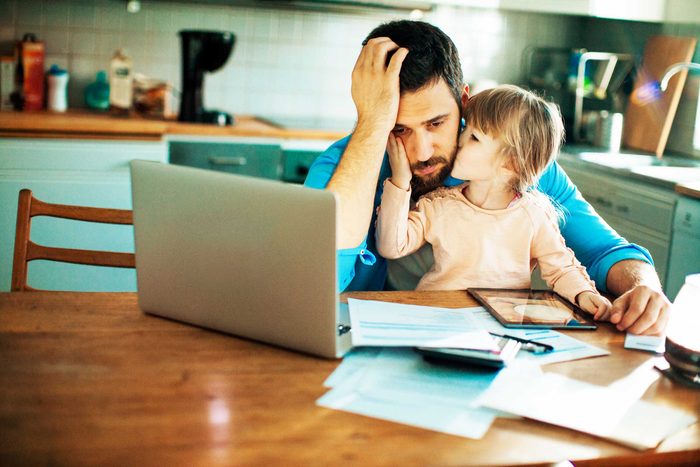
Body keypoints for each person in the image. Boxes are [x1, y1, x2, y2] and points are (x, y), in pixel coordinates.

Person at [304, 20, 670, 335]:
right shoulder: (341, 166)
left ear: (464, 101)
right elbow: (316, 281)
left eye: (436, 123)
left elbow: (605, 250)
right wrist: (372, 123)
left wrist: (645, 290)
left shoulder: (509, 160)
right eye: (398, 129)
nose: (423, 151)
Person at [375, 84, 612, 319]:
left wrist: (584, 294)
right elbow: (391, 246)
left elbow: (562, 269)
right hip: (436, 316)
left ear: (512, 163)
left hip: (502, 325)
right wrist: (400, 181)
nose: (459, 141)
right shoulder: (438, 205)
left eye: (474, 137)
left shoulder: (535, 216)